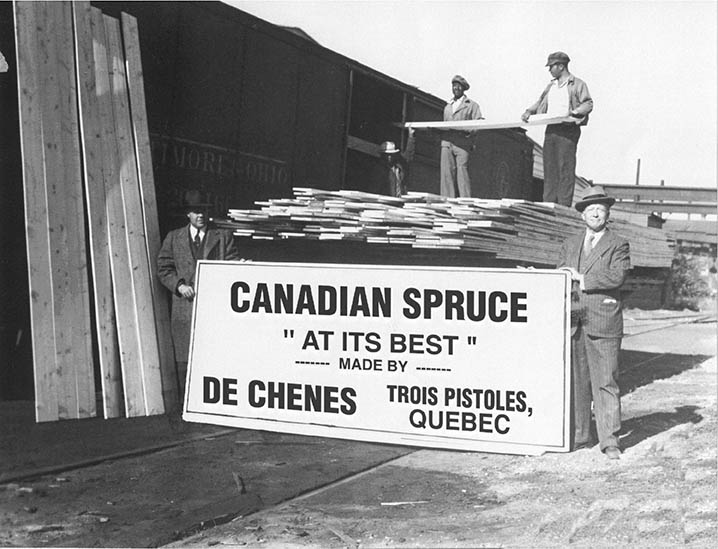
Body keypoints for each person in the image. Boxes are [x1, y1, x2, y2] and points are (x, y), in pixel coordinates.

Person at [558, 186, 630, 460]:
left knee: (606, 381)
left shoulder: (618, 243)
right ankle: (579, 436)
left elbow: (617, 276)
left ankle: (609, 440)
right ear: (582, 215)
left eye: (600, 209)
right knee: (577, 382)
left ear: (608, 214)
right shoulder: (570, 243)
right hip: (576, 317)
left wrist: (581, 279)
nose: (596, 213)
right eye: (591, 209)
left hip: (604, 320)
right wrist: (560, 276)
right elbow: (560, 271)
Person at [157, 189, 239, 393]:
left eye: (203, 211)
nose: (200, 215)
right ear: (188, 214)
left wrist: (242, 267)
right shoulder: (174, 238)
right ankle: (187, 404)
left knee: (214, 358)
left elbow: (232, 263)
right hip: (185, 309)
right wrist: (179, 286)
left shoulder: (222, 236)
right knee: (185, 361)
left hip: (214, 309)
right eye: (196, 211)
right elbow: (163, 268)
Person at [521, 52, 593, 207]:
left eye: (552, 66)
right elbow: (540, 102)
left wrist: (574, 113)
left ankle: (563, 206)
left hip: (567, 130)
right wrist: (529, 111)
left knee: (565, 169)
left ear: (561, 66)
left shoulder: (577, 84)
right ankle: (548, 204)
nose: (549, 70)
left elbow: (588, 104)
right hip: (551, 129)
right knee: (550, 168)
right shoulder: (551, 86)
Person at [439, 75, 483, 198]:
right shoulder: (448, 106)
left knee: (462, 172)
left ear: (463, 88)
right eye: (454, 86)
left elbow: (478, 124)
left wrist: (466, 131)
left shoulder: (472, 105)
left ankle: (465, 201)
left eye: (458, 86)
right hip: (447, 142)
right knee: (446, 172)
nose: (456, 88)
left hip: (462, 143)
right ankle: (447, 200)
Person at [379, 128, 415, 197]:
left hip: (398, 201)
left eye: (391, 155)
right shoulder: (379, 170)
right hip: (385, 202)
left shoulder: (398, 167)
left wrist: (411, 137)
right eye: (386, 155)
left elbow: (408, 154)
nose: (389, 157)